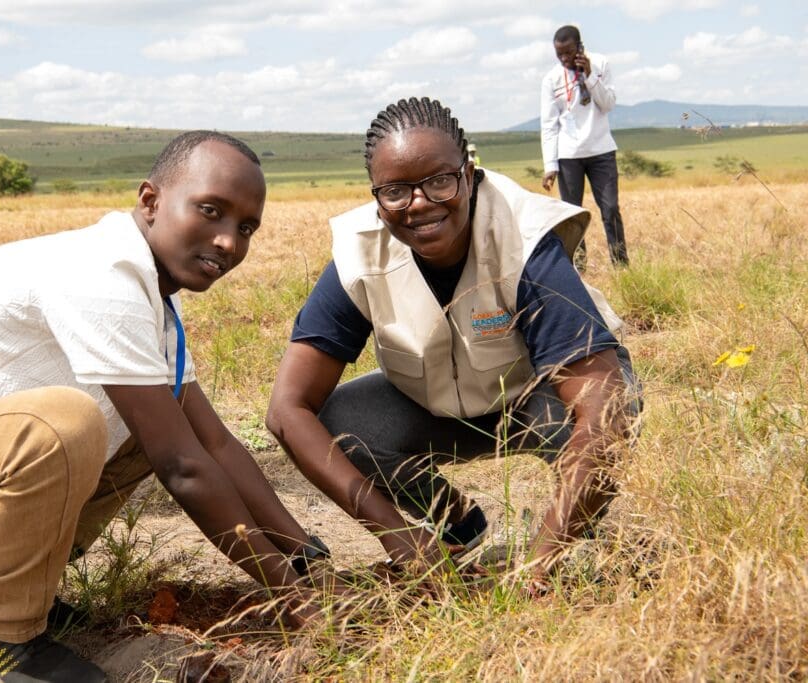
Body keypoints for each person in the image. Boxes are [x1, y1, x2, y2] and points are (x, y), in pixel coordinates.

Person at [0, 131, 328, 682]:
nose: (229, 242)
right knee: (64, 423)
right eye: (211, 211)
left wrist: (305, 556)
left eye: (245, 228)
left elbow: (214, 444)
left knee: (152, 423)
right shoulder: (100, 275)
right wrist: (290, 593)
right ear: (151, 202)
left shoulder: (150, 300)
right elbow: (185, 469)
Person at [266, 97, 641, 596]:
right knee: (338, 423)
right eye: (396, 191)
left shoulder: (523, 238)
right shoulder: (360, 252)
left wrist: (539, 563)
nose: (418, 203)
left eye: (439, 181)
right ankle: (457, 524)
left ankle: (577, 535)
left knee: (604, 410)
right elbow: (287, 409)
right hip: (436, 406)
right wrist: (400, 538)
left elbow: (604, 413)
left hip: (534, 399)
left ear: (469, 174)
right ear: (377, 197)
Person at [540, 25, 630, 268]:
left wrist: (589, 76)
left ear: (580, 47)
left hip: (601, 151)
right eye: (559, 54)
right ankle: (578, 267)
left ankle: (621, 265)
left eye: (568, 53)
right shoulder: (552, 79)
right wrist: (550, 165)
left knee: (610, 209)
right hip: (569, 156)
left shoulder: (601, 64)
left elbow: (608, 103)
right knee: (572, 216)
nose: (564, 59)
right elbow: (549, 124)